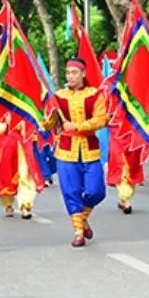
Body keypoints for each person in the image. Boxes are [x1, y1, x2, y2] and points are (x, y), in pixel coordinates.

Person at [43, 58, 108, 247]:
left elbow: (101, 119)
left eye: (74, 72)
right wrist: (50, 117)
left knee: (96, 191)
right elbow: (48, 125)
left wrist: (79, 126)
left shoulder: (94, 94)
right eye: (68, 72)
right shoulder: (59, 96)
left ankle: (83, 218)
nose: (70, 76)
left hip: (89, 149)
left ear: (83, 74)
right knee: (71, 191)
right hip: (66, 151)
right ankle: (79, 232)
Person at [0, 112, 44, 220]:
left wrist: (26, 127)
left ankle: (25, 205)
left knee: (25, 173)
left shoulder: (27, 109)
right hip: (8, 146)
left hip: (25, 145)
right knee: (7, 175)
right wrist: (7, 125)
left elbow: (36, 125)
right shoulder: (4, 109)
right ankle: (8, 204)